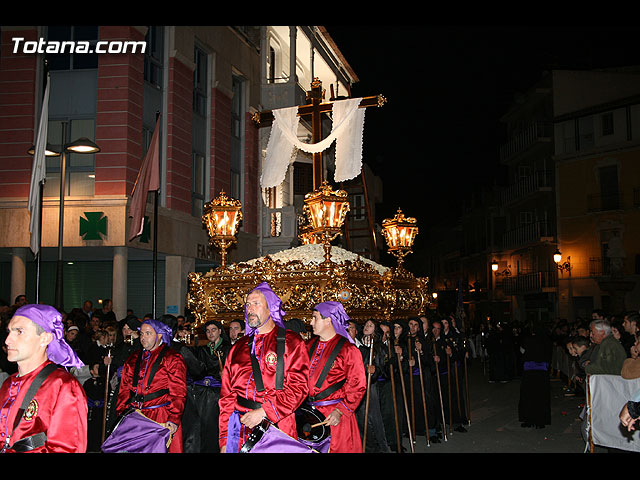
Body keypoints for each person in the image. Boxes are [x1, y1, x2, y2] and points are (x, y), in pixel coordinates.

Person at [218, 282, 310, 453]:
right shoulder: (238, 347)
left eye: (256, 304)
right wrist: (224, 439)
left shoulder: (291, 342)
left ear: (271, 308)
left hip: (277, 426)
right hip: (239, 429)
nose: (250, 309)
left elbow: (299, 388)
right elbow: (226, 397)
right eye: (247, 304)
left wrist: (264, 412)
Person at [0, 304, 87, 452]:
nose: (8, 340)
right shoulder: (8, 383)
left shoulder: (62, 385)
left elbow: (68, 448)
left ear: (45, 338)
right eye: (9, 332)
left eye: (19, 332)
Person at [115, 318, 187, 453]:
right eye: (141, 334)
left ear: (159, 335)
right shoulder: (134, 357)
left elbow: (178, 392)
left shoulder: (172, 358)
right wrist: (121, 413)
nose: (143, 338)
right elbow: (124, 389)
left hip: (160, 416)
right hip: (135, 416)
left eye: (148, 333)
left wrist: (174, 418)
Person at [306, 301, 367, 453]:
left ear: (328, 321)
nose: (310, 322)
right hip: (308, 413)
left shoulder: (348, 350)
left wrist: (340, 411)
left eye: (315, 318)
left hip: (334, 415)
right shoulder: (307, 346)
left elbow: (357, 385)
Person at [181, 319, 231, 453]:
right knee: (198, 426)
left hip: (217, 393)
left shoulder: (228, 349)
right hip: (201, 392)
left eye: (213, 330)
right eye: (208, 331)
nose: (210, 333)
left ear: (220, 331)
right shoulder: (202, 349)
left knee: (212, 427)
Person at [518, 323, 553, 429]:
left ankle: (529, 419)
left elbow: (522, 352)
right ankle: (540, 421)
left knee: (528, 396)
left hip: (529, 371)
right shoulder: (547, 341)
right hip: (542, 372)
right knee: (541, 396)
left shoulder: (528, 340)